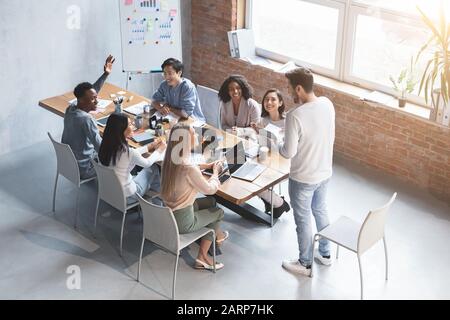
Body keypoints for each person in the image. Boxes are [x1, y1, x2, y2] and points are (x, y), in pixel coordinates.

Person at [279, 67, 335, 276]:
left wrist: (277, 144)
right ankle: (325, 254)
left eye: (290, 88)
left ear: (299, 89)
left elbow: (288, 152)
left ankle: (304, 263)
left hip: (303, 177)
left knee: (302, 220)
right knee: (320, 210)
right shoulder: (327, 104)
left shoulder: (295, 115)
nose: (289, 92)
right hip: (324, 173)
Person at [160, 123, 229, 270]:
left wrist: (207, 166)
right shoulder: (188, 168)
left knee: (211, 202)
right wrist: (216, 173)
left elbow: (189, 166)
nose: (198, 135)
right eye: (194, 134)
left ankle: (218, 235)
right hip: (182, 221)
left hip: (168, 213)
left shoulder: (170, 158)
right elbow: (210, 189)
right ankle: (202, 257)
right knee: (218, 212)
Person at [62, 55, 115, 179]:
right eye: (93, 99)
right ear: (81, 100)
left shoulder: (71, 108)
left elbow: (92, 91)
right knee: (119, 156)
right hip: (84, 169)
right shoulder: (86, 119)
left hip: (69, 164)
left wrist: (105, 74)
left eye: (96, 97)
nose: (96, 101)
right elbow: (101, 149)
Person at [98, 113, 166, 203]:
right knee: (154, 168)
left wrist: (149, 147)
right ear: (122, 130)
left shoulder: (106, 146)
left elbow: (130, 155)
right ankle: (155, 200)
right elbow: (147, 163)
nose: (133, 125)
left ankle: (150, 195)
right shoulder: (128, 152)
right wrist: (159, 150)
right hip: (128, 196)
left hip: (110, 191)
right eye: (130, 124)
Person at [251, 89, 290, 218]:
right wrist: (257, 132)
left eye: (273, 99)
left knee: (254, 180)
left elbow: (284, 149)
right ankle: (271, 201)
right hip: (265, 158)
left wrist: (268, 137)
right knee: (245, 172)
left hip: (280, 160)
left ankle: (279, 203)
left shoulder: (287, 122)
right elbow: (262, 145)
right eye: (266, 99)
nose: (269, 102)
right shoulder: (264, 120)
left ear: (280, 103)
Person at [151, 58, 206, 122]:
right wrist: (160, 108)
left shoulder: (187, 87)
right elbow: (153, 100)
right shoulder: (164, 84)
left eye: (170, 73)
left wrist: (169, 108)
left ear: (179, 73)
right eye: (165, 73)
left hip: (192, 121)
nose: (166, 77)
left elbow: (186, 114)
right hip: (173, 118)